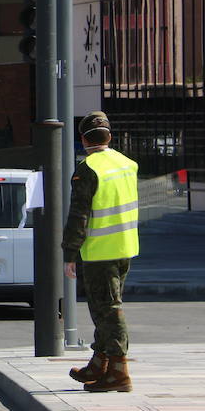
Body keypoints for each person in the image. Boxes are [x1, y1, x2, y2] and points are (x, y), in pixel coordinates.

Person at [64, 111, 139, 393]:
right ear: (109, 136)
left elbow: (79, 215)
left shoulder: (88, 169)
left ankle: (119, 371)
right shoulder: (127, 164)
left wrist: (69, 253)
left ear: (83, 139)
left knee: (108, 310)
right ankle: (100, 362)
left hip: (99, 251)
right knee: (106, 309)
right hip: (126, 246)